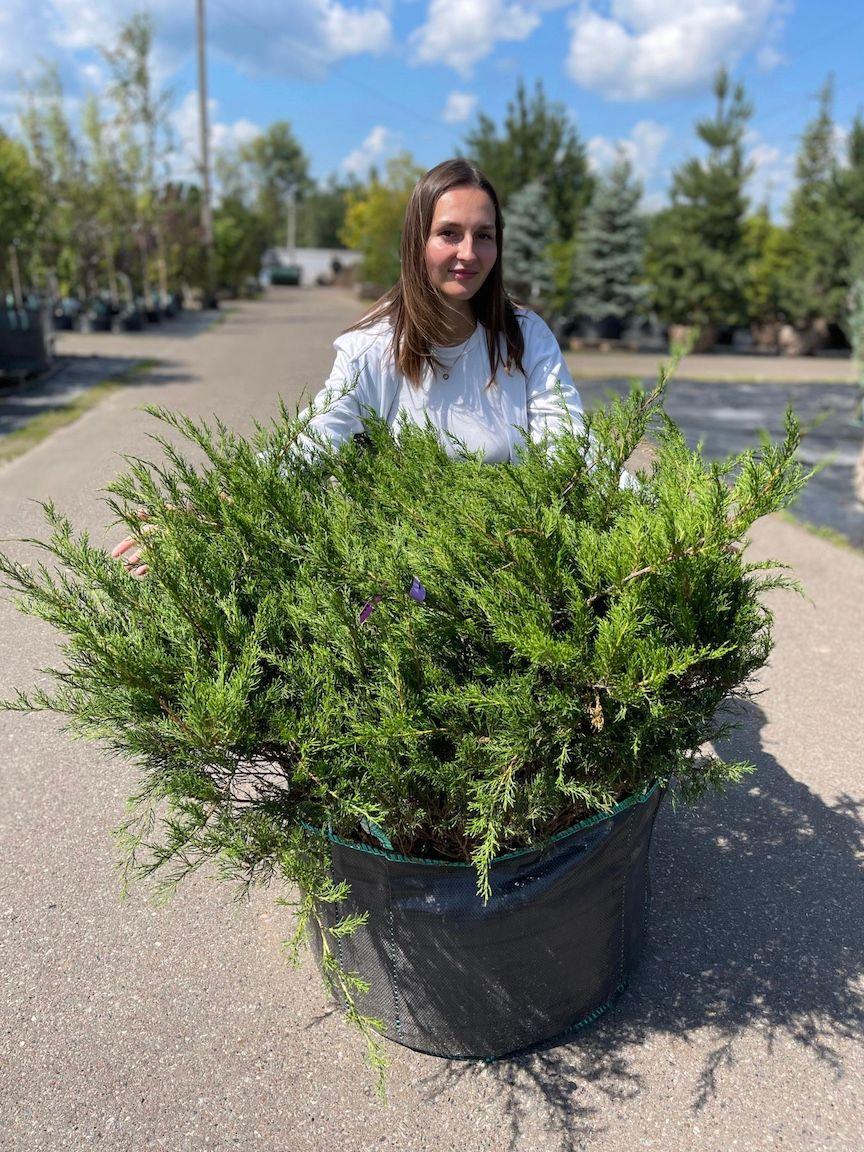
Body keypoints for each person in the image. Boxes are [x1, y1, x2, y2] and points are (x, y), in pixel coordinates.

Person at [113, 158, 586, 575]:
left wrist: (652, 503)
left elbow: (572, 449)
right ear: (417, 241)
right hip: (407, 587)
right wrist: (204, 514)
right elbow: (309, 447)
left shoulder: (525, 338)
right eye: (449, 233)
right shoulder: (373, 349)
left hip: (514, 575)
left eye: (483, 236)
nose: (468, 253)